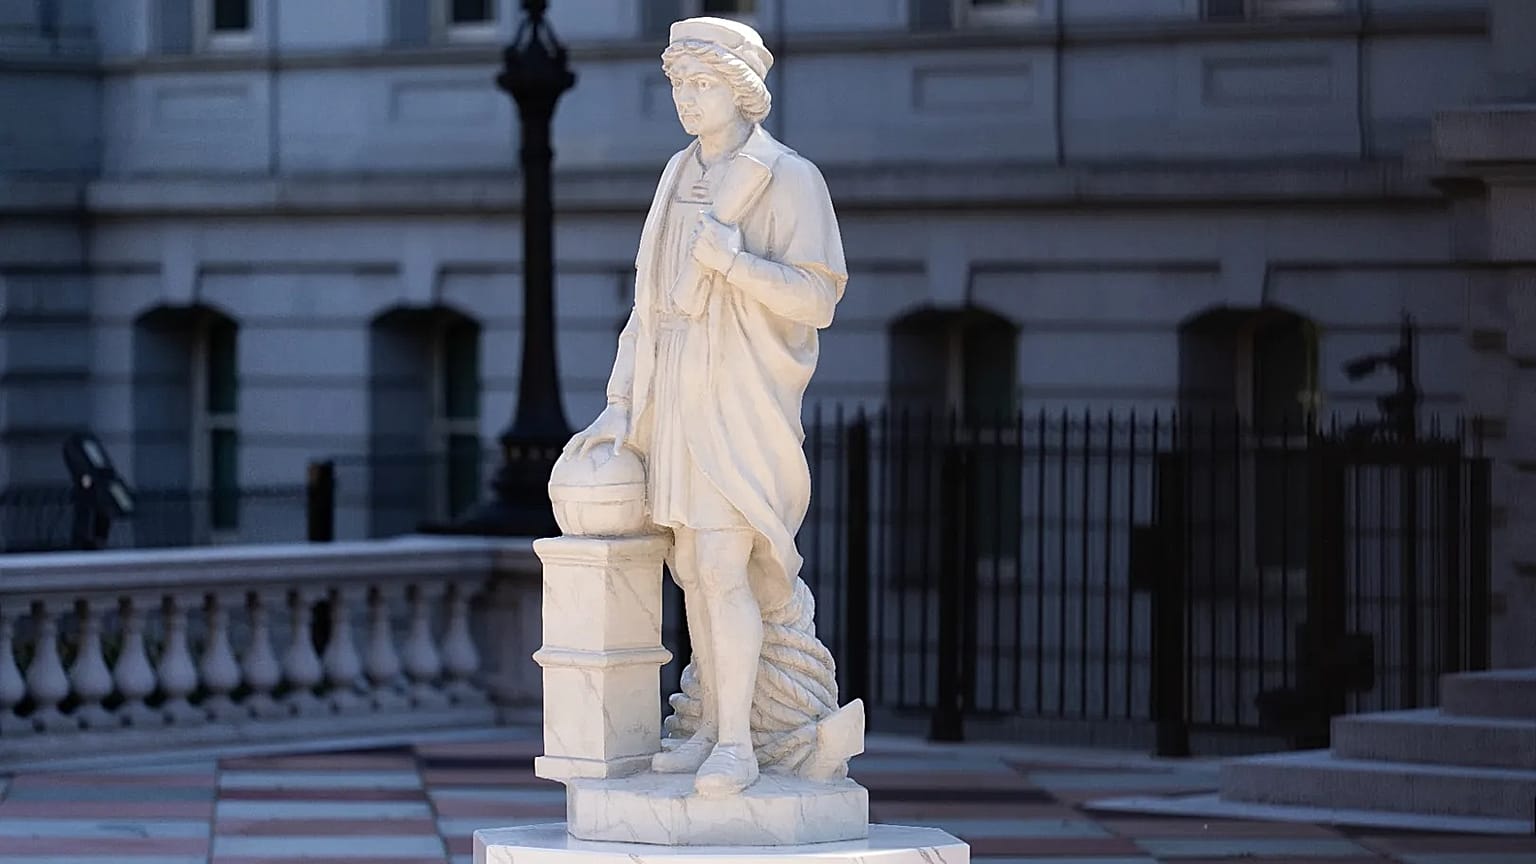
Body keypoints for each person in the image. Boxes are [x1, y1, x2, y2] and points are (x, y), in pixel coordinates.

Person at [562, 16, 848, 797]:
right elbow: (646, 309)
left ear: (741, 90)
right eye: (679, 86)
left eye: (702, 85)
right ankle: (716, 723)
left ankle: (736, 746)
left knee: (723, 566)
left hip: (741, 400)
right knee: (693, 568)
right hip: (676, 391)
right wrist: (622, 405)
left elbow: (817, 297)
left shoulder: (787, 177)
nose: (688, 100)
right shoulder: (675, 177)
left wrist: (737, 262)